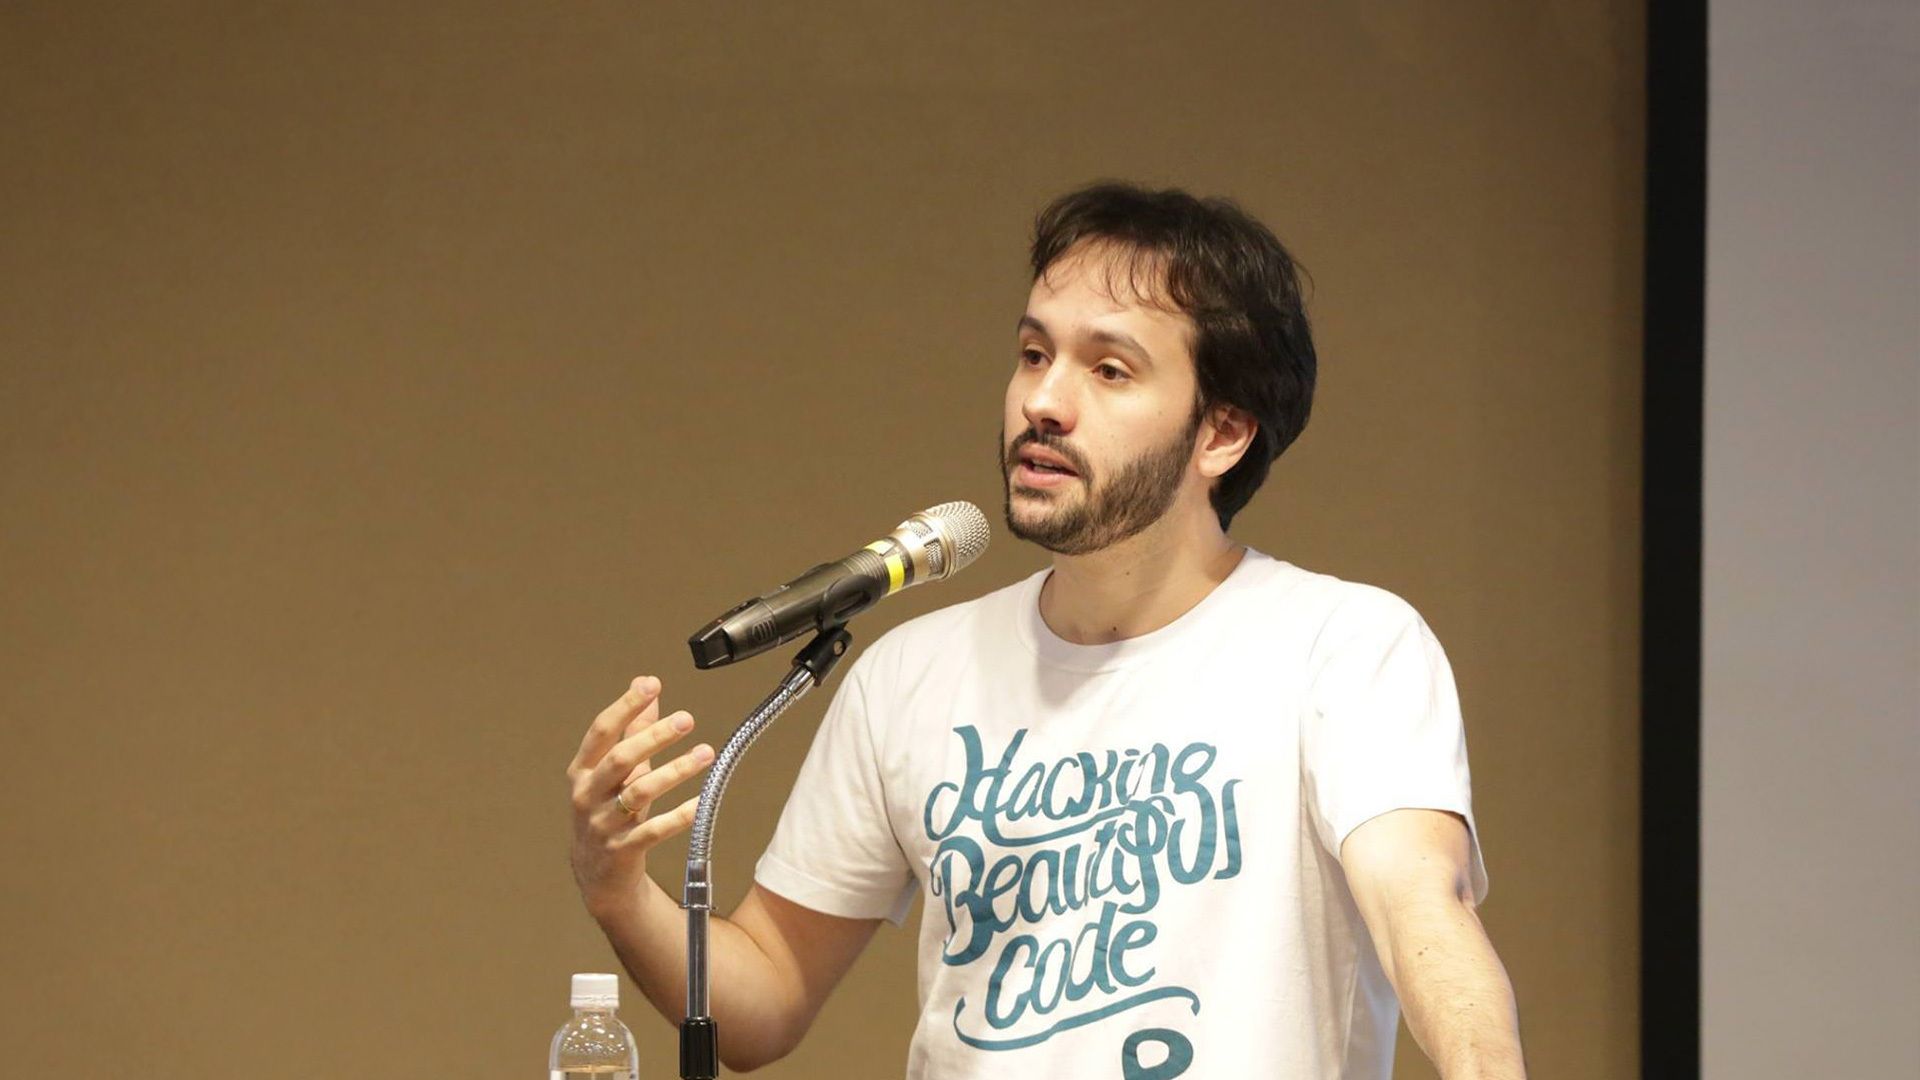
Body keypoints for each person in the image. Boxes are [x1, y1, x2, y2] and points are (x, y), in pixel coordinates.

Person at [567, 182, 1527, 1078]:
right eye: (1034, 354)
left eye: (1109, 369)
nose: (1043, 402)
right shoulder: (912, 672)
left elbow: (1421, 916)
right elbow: (765, 996)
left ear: (1222, 433)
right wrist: (619, 890)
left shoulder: (1344, 647)